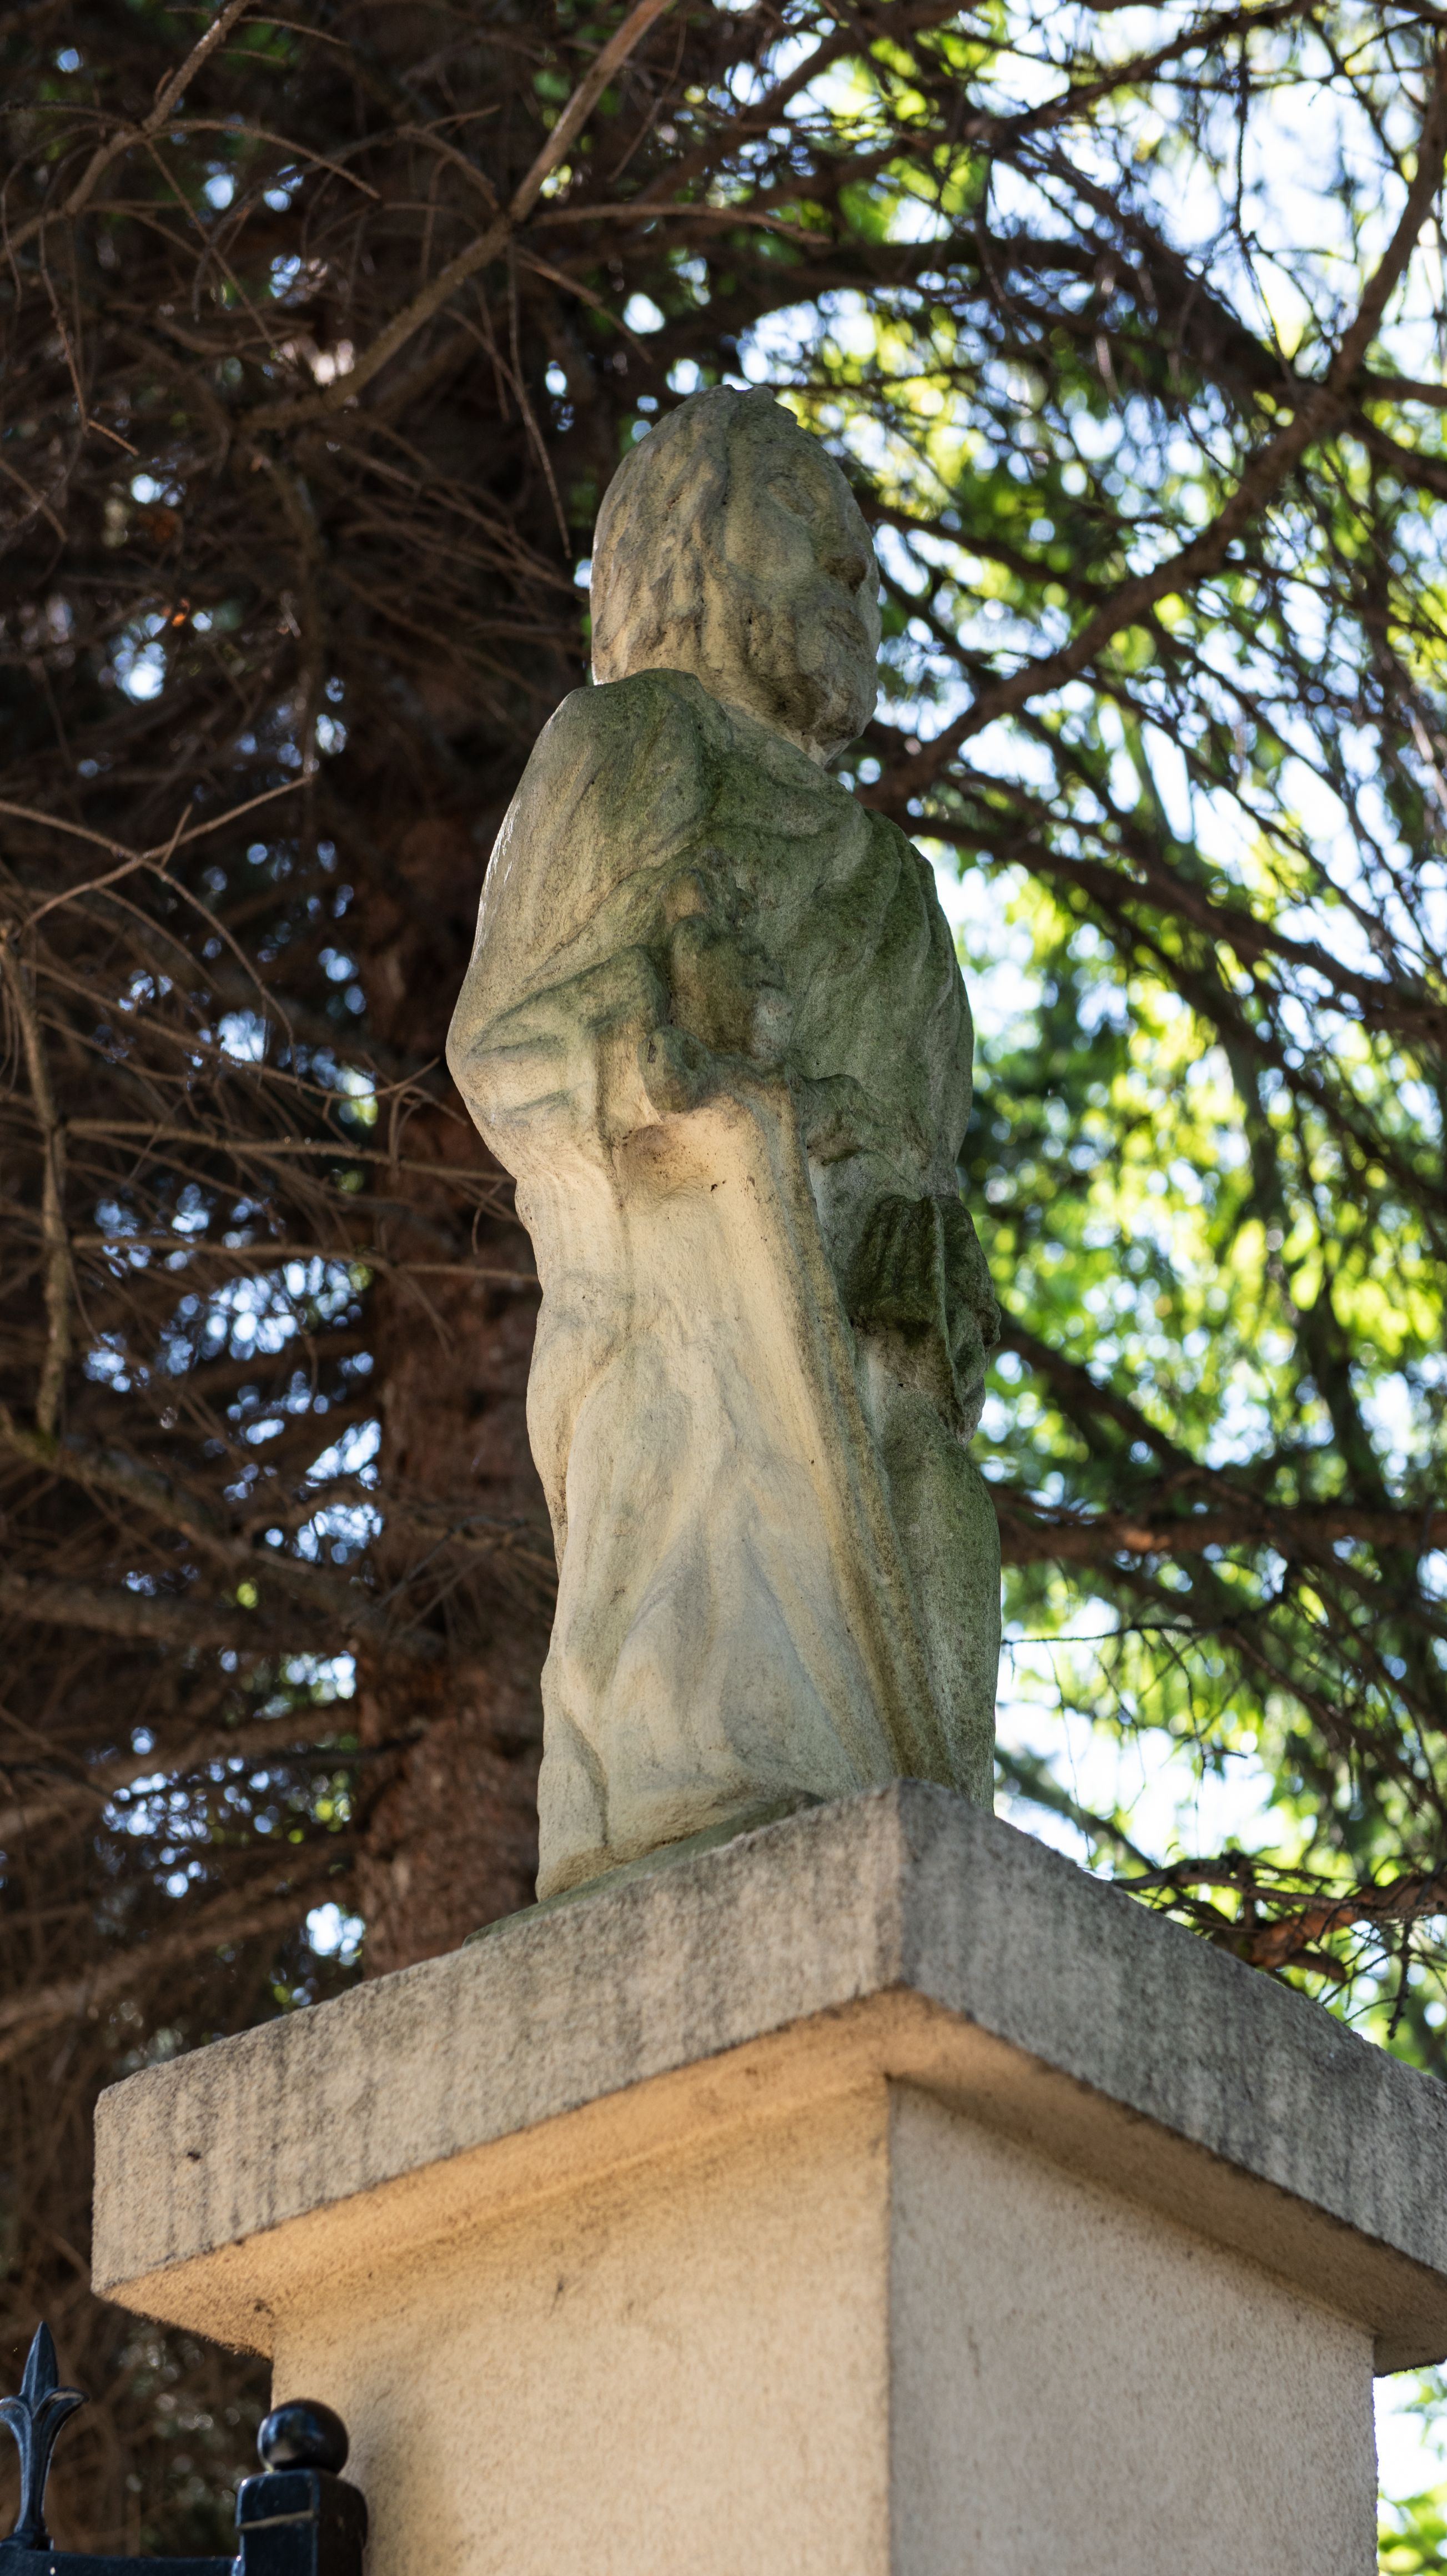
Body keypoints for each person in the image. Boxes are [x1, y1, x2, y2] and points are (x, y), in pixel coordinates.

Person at [448, 386, 999, 1900]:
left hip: (866, 1383)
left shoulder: (897, 891)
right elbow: (501, 1047)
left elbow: (931, 1168)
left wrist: (926, 1251)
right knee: (705, 1699)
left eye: (861, 545)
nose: (853, 572)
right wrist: (655, 1062)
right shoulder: (630, 747)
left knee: (946, 1542)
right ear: (688, 542)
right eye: (807, 523)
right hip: (685, 1328)